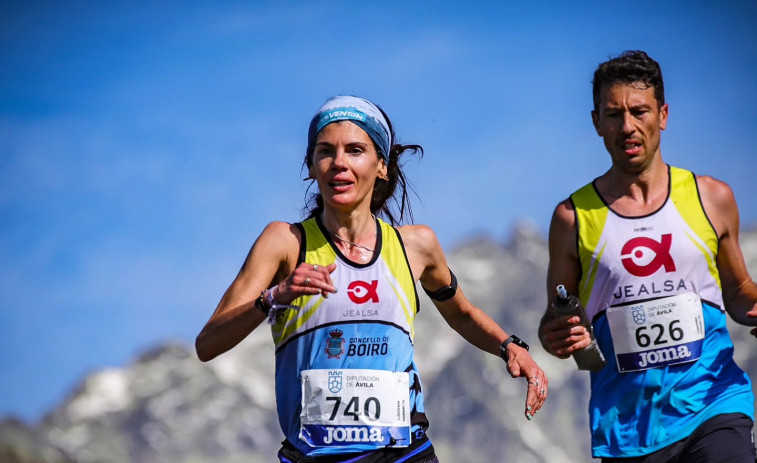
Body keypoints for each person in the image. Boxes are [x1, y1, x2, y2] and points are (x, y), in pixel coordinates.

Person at [196, 95, 548, 462]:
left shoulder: (416, 246)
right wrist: (273, 298)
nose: (339, 164)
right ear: (311, 165)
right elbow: (207, 344)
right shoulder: (285, 242)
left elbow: (461, 313)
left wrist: (510, 346)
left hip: (404, 452)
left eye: (355, 150)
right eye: (325, 151)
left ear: (381, 165)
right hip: (316, 455)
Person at [538, 50, 757, 462]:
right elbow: (558, 323)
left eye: (640, 111)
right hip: (626, 430)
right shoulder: (572, 218)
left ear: (663, 115)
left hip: (714, 406)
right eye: (613, 114)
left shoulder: (712, 198)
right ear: (596, 122)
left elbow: (741, 293)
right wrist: (557, 335)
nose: (628, 127)